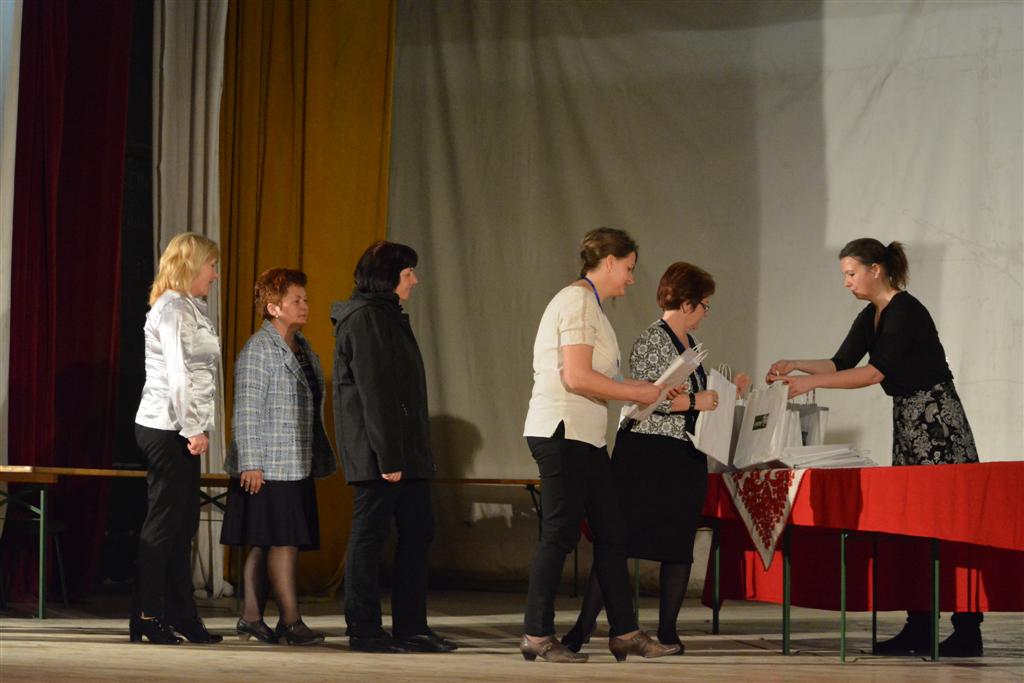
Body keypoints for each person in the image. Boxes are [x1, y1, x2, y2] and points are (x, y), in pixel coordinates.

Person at [766, 237, 982, 657]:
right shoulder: (872, 314)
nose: (846, 282)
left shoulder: (905, 310)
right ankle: (920, 624)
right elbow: (842, 362)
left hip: (937, 420)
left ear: (875, 269)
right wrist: (796, 365)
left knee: (950, 522)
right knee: (916, 524)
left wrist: (809, 384)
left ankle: (967, 628)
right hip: (909, 419)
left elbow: (873, 373)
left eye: (851, 273)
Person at [562, 262, 750, 655]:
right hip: (647, 454)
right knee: (619, 542)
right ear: (687, 303)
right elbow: (647, 397)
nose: (706, 313)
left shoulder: (691, 346)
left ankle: (668, 631)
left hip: (683, 453)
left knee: (678, 544)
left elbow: (692, 399)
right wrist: (695, 401)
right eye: (705, 305)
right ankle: (583, 627)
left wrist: (727, 392)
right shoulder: (652, 339)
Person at [520, 228, 682, 663]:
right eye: (628, 268)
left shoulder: (591, 306)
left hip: (586, 436)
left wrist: (644, 388)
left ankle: (625, 632)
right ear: (608, 262)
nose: (631, 278)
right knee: (559, 533)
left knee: (613, 532)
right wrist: (636, 392)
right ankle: (536, 633)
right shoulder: (577, 302)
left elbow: (597, 377)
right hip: (563, 431)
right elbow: (576, 376)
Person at [330, 241, 457, 654]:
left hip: (404, 451)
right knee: (369, 538)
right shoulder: (365, 319)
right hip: (379, 454)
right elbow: (375, 392)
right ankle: (364, 629)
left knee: (419, 531)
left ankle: (411, 626)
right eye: (407, 273)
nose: (415, 280)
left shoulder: (387, 316)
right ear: (387, 277)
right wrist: (388, 456)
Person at [221, 269, 337, 646]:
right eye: (296, 300)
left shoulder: (301, 347)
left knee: (267, 542)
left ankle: (251, 617)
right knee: (282, 542)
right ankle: (290, 620)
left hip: (296, 462)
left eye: (305, 299)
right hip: (269, 465)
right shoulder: (260, 349)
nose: (305, 306)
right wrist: (251, 462)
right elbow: (247, 409)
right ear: (273, 307)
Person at [132, 232, 222, 645]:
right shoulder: (171, 310)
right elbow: (177, 376)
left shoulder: (188, 307)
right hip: (166, 427)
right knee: (165, 523)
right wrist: (192, 428)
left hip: (180, 429)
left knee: (183, 525)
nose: (215, 275)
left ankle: (182, 615)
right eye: (212, 266)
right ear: (192, 266)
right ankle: (147, 614)